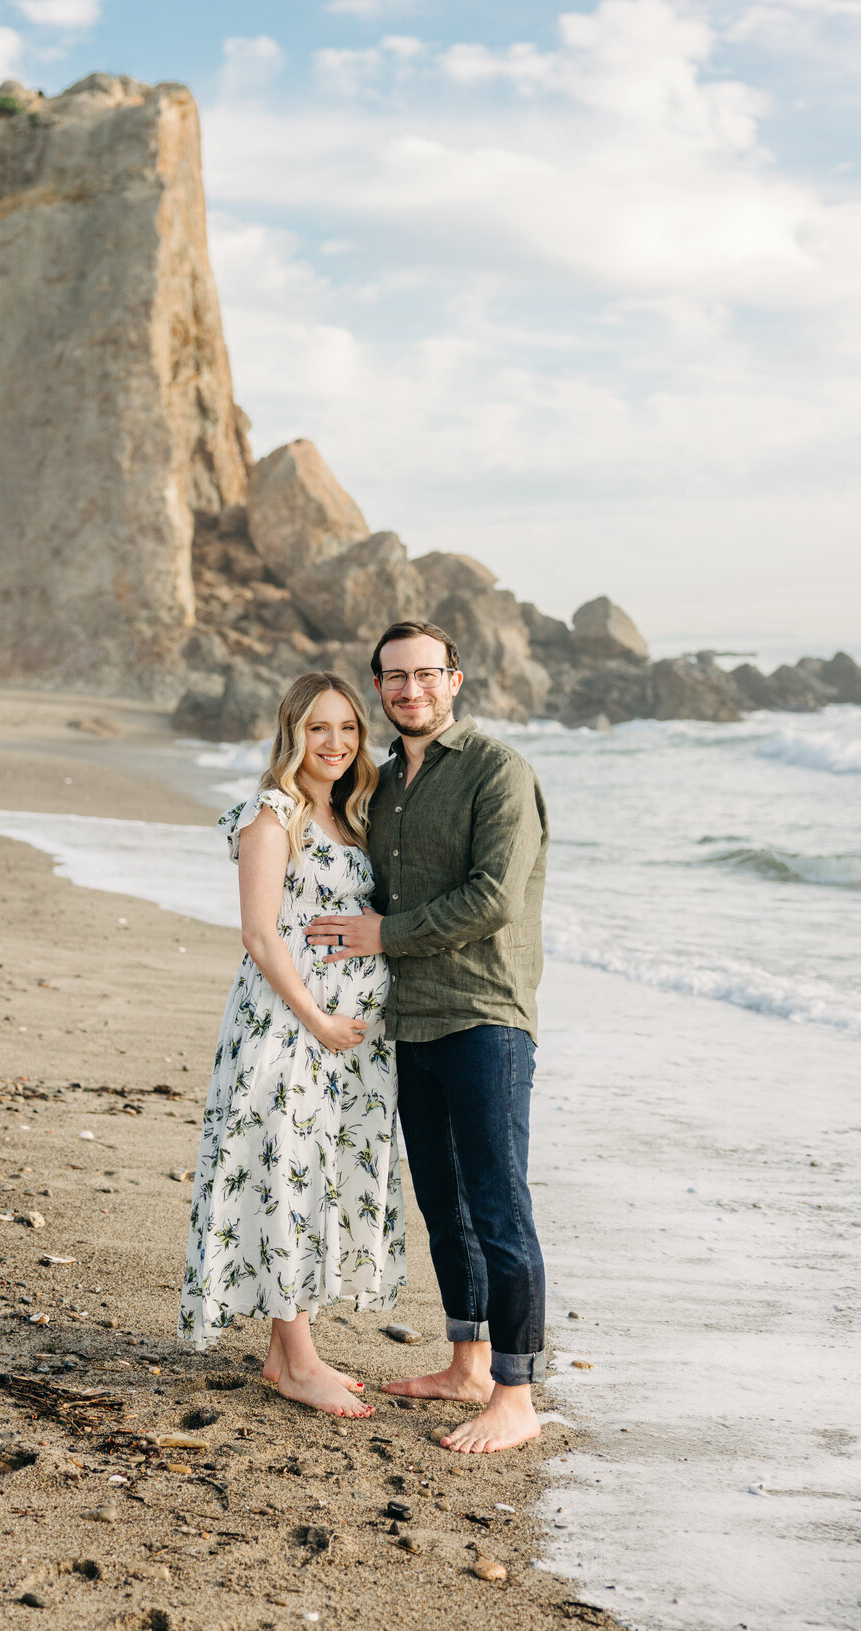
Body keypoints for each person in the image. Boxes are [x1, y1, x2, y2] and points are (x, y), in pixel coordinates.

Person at [305, 621, 549, 1454]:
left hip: (486, 1015)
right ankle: (468, 1363)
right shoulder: (389, 786)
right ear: (379, 688)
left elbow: (493, 898)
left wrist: (383, 935)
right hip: (410, 1020)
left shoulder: (498, 771)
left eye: (425, 674)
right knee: (444, 1204)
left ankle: (515, 1394)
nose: (410, 689)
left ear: (456, 679)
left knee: (498, 1204)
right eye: (394, 678)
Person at [178, 671, 404, 1419]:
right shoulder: (274, 814)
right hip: (287, 1030)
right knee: (287, 1173)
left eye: (348, 728)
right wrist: (318, 1021)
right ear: (292, 734)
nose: (336, 742)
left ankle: (285, 1354)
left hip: (342, 1046)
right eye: (319, 728)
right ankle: (301, 1362)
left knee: (315, 1177)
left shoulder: (350, 816)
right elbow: (259, 933)